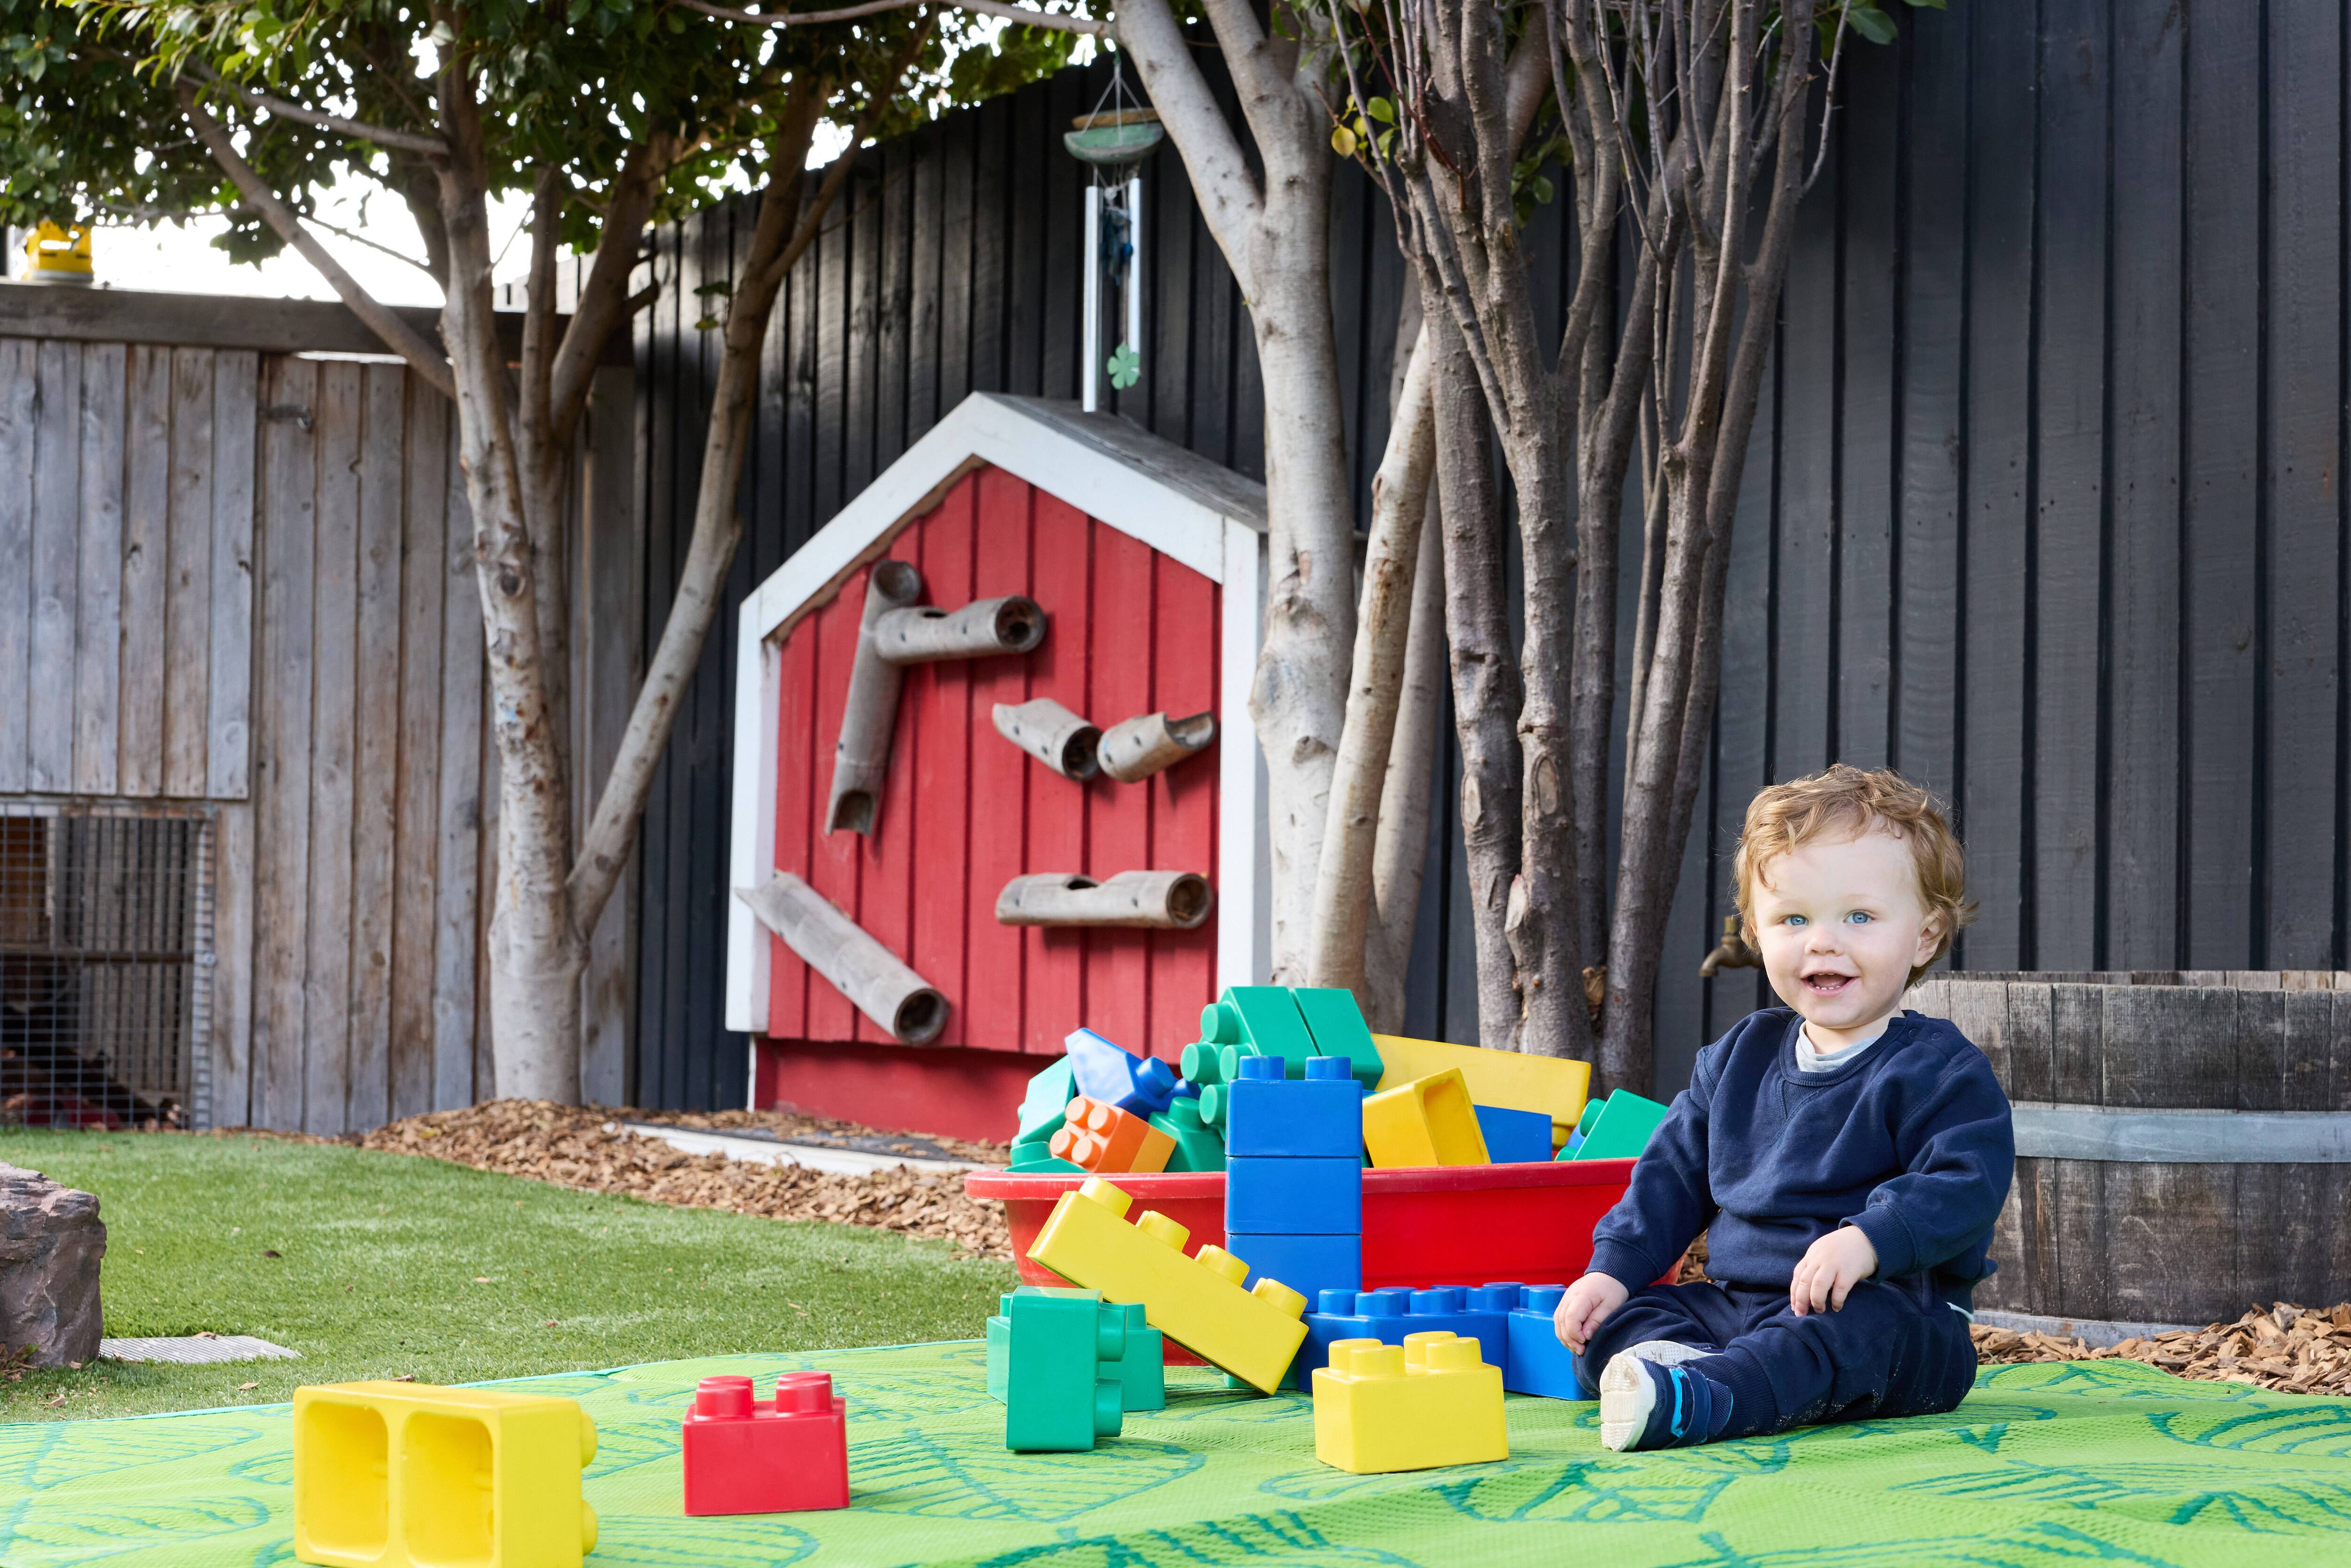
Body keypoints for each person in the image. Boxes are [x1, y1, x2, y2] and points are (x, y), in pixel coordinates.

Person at [1554, 764, 2013, 1451]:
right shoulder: (1738, 1057)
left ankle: (1713, 1395)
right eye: (1793, 919)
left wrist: (1867, 1242)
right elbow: (1671, 1176)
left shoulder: (1937, 1068)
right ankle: (1694, 1375)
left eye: (1859, 916)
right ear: (1756, 934)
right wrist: (1611, 1270)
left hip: (1888, 1305)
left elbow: (1964, 1184)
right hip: (1739, 1302)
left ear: (1925, 935)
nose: (1823, 940)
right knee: (1615, 1325)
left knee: (1852, 1336)